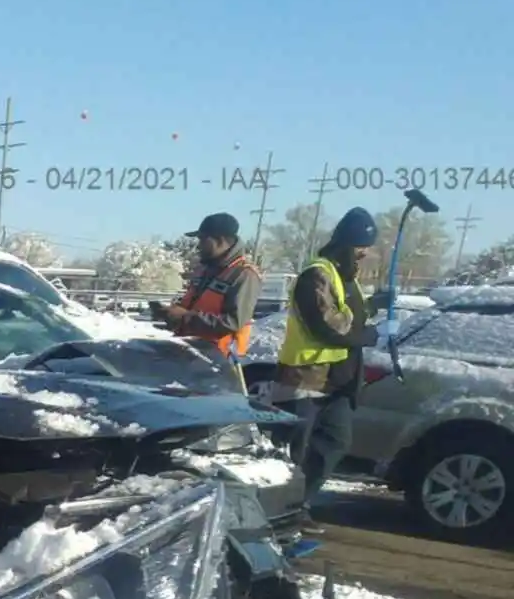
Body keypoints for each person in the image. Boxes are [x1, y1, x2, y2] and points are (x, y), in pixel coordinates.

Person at [275, 207, 380, 508]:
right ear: (344, 244)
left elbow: (351, 313)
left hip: (339, 380)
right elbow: (327, 325)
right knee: (293, 449)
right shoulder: (316, 274)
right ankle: (274, 511)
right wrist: (366, 335)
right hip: (305, 376)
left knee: (335, 443)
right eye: (359, 249)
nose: (363, 255)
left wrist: (372, 307)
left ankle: (297, 505)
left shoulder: (347, 278)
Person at [154, 213, 262, 364]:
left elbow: (232, 322)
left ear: (220, 240)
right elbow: (193, 306)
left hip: (218, 363)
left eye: (203, 240)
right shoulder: (205, 270)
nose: (198, 246)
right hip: (189, 355)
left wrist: (185, 317)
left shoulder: (244, 275)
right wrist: (171, 314)